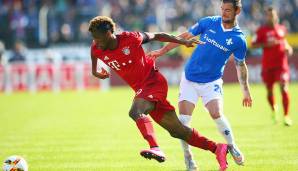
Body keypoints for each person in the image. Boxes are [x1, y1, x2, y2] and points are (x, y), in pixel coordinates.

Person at [89, 16, 230, 171]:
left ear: (109, 33)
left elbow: (157, 35)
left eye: (98, 37)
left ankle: (155, 147)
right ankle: (218, 149)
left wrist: (183, 42)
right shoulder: (96, 47)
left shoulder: (131, 38)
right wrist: (96, 72)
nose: (96, 41)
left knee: (135, 111)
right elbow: (94, 62)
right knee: (177, 131)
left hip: (153, 81)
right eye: (94, 38)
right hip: (142, 90)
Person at [147, 0, 252, 170]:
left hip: (211, 81)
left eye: (228, 10)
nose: (224, 13)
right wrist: (162, 51)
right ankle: (188, 157)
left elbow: (241, 65)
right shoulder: (209, 22)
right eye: (222, 9)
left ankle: (232, 146)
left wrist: (245, 91)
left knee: (216, 113)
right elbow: (183, 37)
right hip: (189, 78)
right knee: (183, 121)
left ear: (237, 11)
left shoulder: (239, 39)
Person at [251, 7, 293, 126]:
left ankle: (286, 116)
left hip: (281, 66)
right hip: (268, 66)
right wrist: (266, 44)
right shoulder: (261, 31)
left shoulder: (282, 29)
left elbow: (284, 42)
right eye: (269, 15)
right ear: (266, 17)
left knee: (284, 87)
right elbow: (253, 45)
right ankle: (274, 110)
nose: (271, 17)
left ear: (276, 16)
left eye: (273, 15)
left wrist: (288, 48)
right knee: (269, 91)